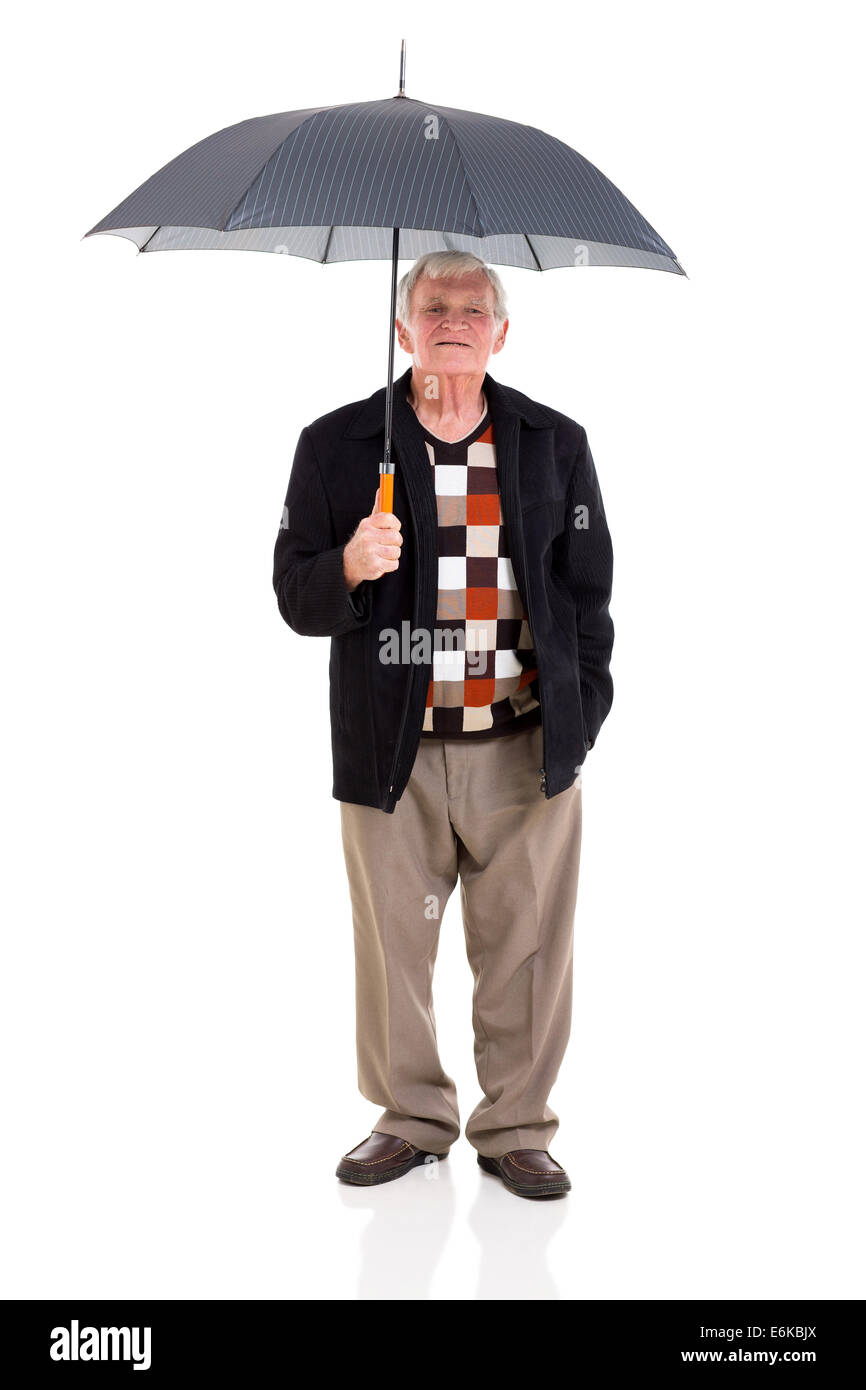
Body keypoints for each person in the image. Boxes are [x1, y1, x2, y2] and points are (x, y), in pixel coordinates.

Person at [273, 251, 614, 1199]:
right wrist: (347, 565)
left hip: (523, 743)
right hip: (393, 748)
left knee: (527, 946)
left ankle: (516, 1127)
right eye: (433, 306)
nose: (453, 321)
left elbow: (588, 595)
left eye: (472, 308)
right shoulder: (339, 445)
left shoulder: (553, 441)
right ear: (403, 328)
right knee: (395, 946)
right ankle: (411, 1118)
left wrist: (581, 715)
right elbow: (294, 594)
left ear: (501, 332)